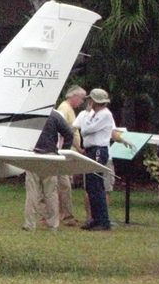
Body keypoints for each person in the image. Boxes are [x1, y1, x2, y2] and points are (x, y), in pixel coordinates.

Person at [23, 110, 73, 231]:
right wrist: (63, 151)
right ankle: (53, 224)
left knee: (32, 192)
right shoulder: (55, 116)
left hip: (33, 154)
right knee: (51, 192)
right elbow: (69, 134)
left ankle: (30, 224)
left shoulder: (30, 114)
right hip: (50, 156)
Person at [74, 88, 116, 231]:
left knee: (96, 184)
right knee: (92, 185)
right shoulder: (96, 114)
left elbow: (85, 130)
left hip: (98, 150)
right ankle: (96, 218)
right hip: (92, 150)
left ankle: (103, 221)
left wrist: (86, 114)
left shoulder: (104, 114)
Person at [55, 86, 85, 226]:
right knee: (64, 184)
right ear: (74, 96)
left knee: (65, 184)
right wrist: (77, 147)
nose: (82, 102)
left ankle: (65, 214)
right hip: (66, 151)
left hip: (71, 150)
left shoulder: (70, 109)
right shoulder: (64, 109)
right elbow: (63, 131)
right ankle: (64, 214)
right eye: (81, 98)